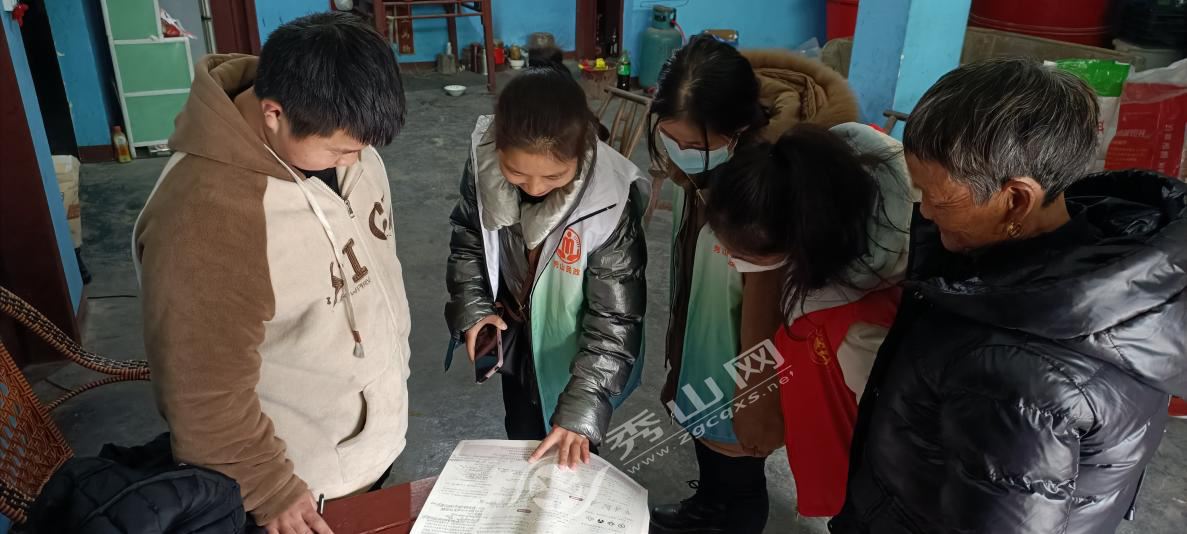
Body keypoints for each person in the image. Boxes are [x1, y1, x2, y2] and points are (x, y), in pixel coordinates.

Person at [832, 58, 1187, 533]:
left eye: (938, 197)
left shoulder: (1019, 379)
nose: (926, 212)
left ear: (1016, 199)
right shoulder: (1102, 252)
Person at [134, 13, 411, 534]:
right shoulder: (206, 217)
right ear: (274, 113)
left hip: (367, 449)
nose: (356, 160)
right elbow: (201, 389)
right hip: (296, 491)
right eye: (342, 149)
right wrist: (268, 488)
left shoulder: (346, 140)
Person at [647, 34, 858, 533]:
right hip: (703, 337)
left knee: (739, 462)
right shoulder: (703, 172)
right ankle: (708, 505)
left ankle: (731, 515)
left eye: (694, 145)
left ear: (739, 130)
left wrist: (759, 402)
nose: (680, 152)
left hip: (744, 360)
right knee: (708, 442)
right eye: (670, 137)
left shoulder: (766, 190)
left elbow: (769, 317)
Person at [444, 52, 648, 469]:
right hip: (517, 338)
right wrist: (475, 310)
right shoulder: (484, 165)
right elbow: (468, 241)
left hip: (579, 354)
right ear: (498, 147)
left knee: (570, 447)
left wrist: (582, 408)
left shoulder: (610, 200)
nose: (535, 188)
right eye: (517, 174)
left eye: (554, 177)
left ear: (582, 151)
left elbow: (615, 317)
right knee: (522, 435)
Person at [704, 122, 914, 517]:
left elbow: (902, 443)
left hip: (867, 495)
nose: (734, 263)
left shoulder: (859, 327)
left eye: (746, 257)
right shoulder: (807, 180)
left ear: (801, 244)